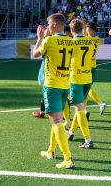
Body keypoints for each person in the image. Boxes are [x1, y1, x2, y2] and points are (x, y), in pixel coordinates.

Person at [33, 13, 75, 169]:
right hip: (65, 85)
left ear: (56, 25)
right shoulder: (70, 41)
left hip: (52, 85)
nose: (47, 26)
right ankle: (51, 151)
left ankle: (68, 158)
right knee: (54, 119)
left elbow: (35, 54)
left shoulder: (49, 40)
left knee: (56, 121)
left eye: (49, 24)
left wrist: (40, 38)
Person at [67, 19, 94, 149]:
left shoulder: (71, 42)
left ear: (72, 30)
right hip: (88, 77)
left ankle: (88, 140)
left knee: (79, 109)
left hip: (76, 79)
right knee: (80, 108)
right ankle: (71, 132)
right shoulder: (90, 40)